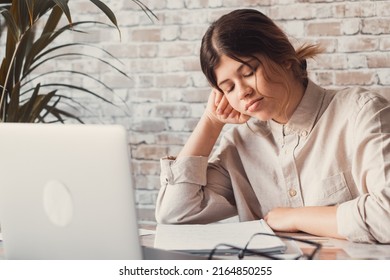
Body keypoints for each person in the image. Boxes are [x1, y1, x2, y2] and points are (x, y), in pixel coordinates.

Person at [155, 9, 390, 243]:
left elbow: (386, 216)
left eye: (248, 72)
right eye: (229, 88)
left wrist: (296, 218)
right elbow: (175, 214)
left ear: (284, 59)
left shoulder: (361, 113)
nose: (243, 92)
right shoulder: (240, 145)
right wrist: (211, 120)